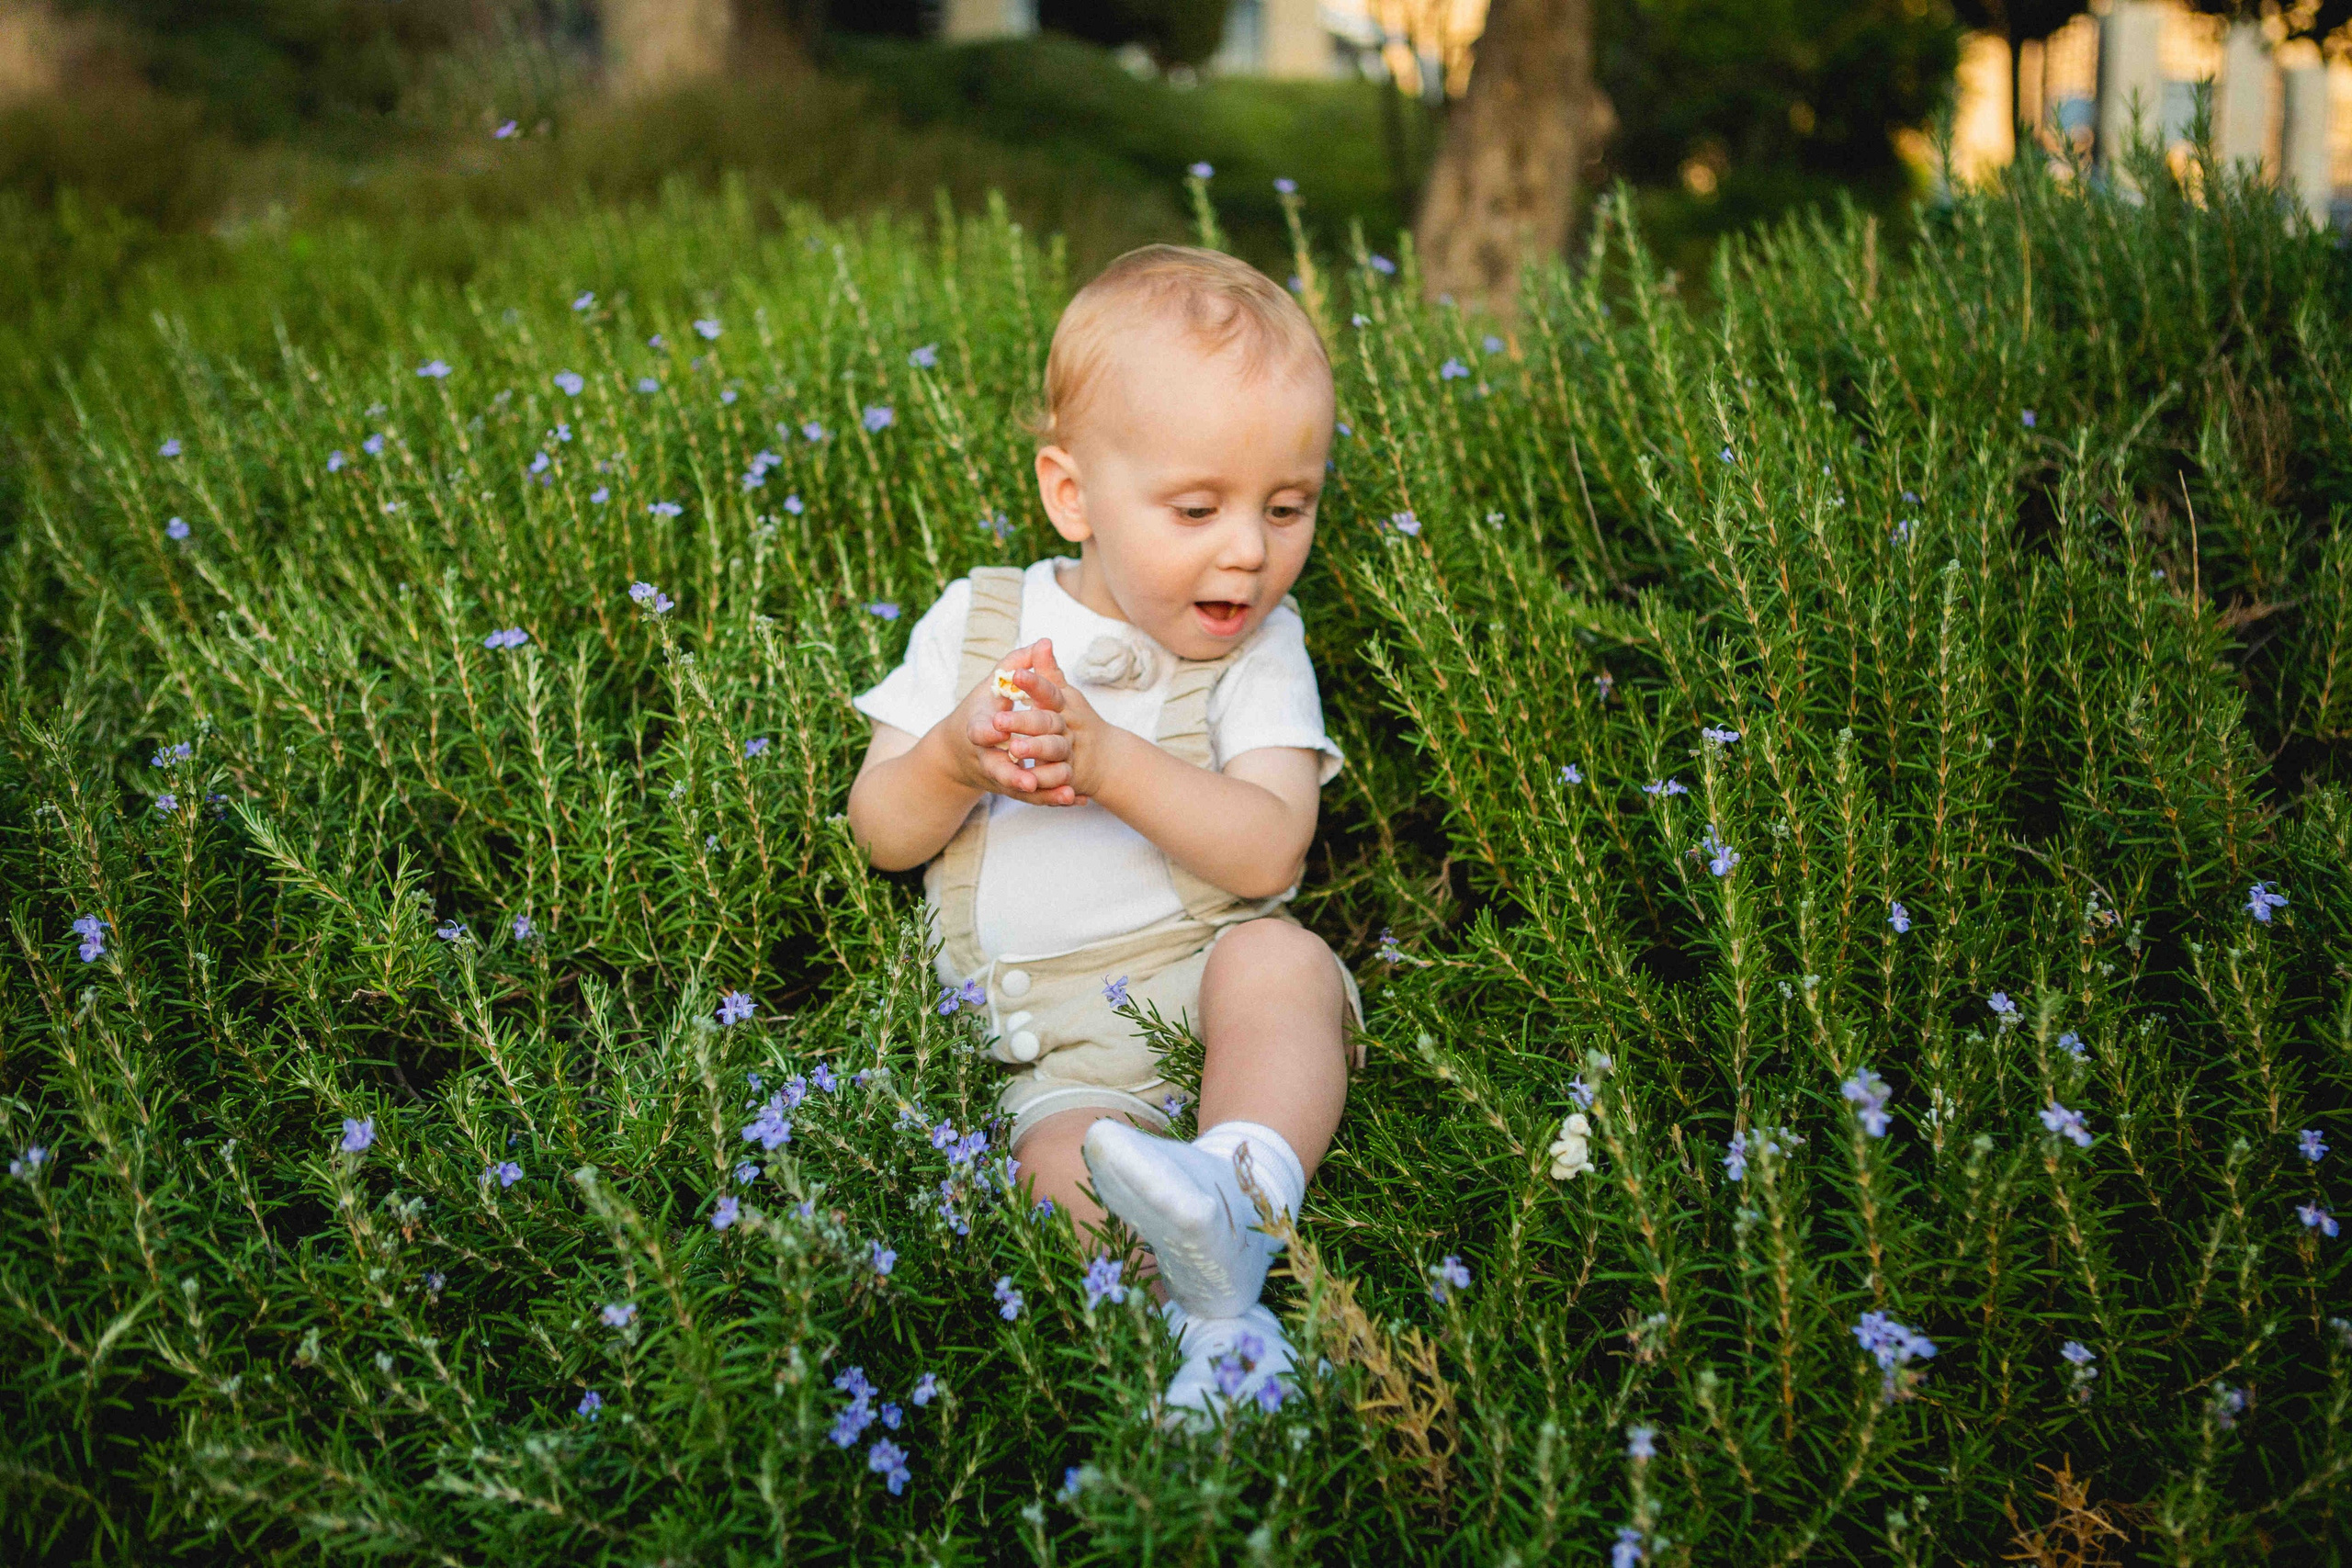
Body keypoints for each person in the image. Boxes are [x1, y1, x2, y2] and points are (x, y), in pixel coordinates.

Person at [844, 243, 1362, 1419]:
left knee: (1284, 964)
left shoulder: (1258, 652)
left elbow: (1271, 850)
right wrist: (947, 758)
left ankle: (1243, 1181)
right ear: (1071, 495)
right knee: (1057, 1174)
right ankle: (1212, 1330)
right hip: (1057, 1042)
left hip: (1203, 979)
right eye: (1197, 508)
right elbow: (883, 832)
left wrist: (1110, 760)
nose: (1247, 549)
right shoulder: (978, 625)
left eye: (1289, 508)